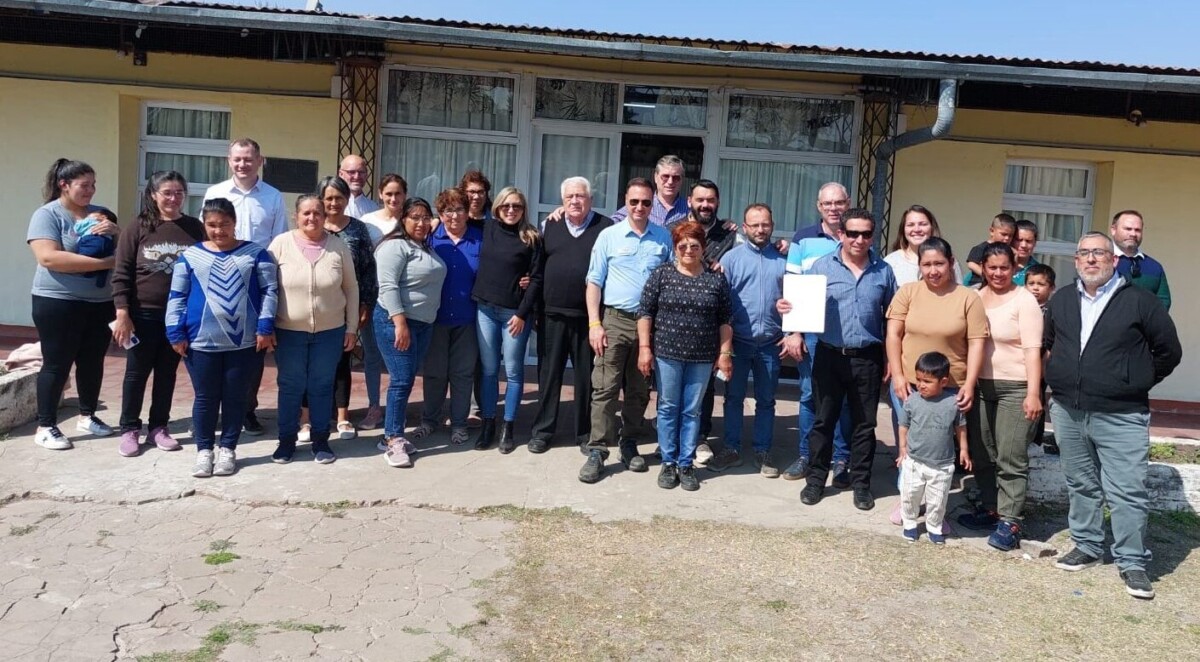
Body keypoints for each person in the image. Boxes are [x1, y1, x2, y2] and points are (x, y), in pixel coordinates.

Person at [1045, 232, 1181, 600]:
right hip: (1069, 411)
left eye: (1099, 253)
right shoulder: (1061, 301)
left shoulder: (1140, 301)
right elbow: (1050, 343)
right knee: (1081, 484)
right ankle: (1088, 546)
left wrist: (1133, 379)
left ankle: (1132, 561)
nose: (1091, 259)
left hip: (1122, 414)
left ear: (1114, 260)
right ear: (1075, 260)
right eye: (1084, 253)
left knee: (1127, 492)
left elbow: (1169, 351)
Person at [782, 209, 897, 510]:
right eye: (853, 233)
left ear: (873, 236)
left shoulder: (883, 272)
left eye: (866, 234)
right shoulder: (821, 267)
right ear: (842, 234)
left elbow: (892, 320)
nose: (860, 240)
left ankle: (861, 485)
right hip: (829, 356)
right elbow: (799, 305)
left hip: (868, 359)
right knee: (823, 422)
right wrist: (789, 312)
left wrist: (890, 360)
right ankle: (816, 481)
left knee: (864, 425)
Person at [166, 198, 278, 477]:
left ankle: (228, 448)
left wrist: (264, 327)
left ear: (234, 223)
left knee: (235, 397)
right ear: (204, 225)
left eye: (224, 224)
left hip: (244, 342)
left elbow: (270, 292)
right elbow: (177, 296)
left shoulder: (256, 254)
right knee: (205, 397)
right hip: (200, 342)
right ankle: (204, 450)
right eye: (212, 225)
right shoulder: (190, 256)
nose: (219, 231)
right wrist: (174, 331)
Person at [886, 237, 989, 522]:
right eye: (926, 264)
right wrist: (897, 375)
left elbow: (977, 342)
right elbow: (894, 335)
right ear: (919, 266)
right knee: (910, 444)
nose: (933, 270)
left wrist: (968, 383)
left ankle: (936, 506)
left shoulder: (968, 297)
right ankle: (907, 499)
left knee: (941, 449)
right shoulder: (908, 292)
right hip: (910, 385)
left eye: (939, 264)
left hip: (950, 387)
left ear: (951, 262)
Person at [580, 178, 674, 484]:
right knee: (605, 387)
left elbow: (672, 280)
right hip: (614, 320)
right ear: (626, 201)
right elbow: (594, 282)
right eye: (634, 202)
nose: (639, 207)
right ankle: (597, 450)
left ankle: (629, 442)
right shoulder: (609, 236)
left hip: (649, 324)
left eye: (646, 202)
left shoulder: (663, 238)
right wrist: (595, 323)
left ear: (652, 204)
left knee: (638, 389)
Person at [26, 158, 120, 450]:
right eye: (84, 185)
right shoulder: (48, 215)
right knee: (57, 363)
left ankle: (88, 415)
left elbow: (126, 244)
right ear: (63, 185)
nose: (90, 190)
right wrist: (105, 262)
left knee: (92, 362)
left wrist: (116, 232)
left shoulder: (99, 214)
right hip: (58, 302)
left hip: (99, 301)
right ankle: (46, 425)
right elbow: (48, 257)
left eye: (93, 184)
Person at [956, 243, 1044, 551]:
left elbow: (1033, 350)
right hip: (980, 387)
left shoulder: (1025, 300)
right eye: (991, 267)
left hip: (1016, 388)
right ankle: (991, 508)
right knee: (982, 454)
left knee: (1010, 456)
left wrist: (1033, 393)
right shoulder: (975, 298)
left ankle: (1011, 520)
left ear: (1014, 269)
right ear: (982, 266)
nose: (997, 273)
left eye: (1004, 268)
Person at [111, 171, 205, 457]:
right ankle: (129, 428)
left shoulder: (194, 228)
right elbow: (122, 272)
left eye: (179, 193)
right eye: (167, 192)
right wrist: (123, 312)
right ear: (153, 194)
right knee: (136, 373)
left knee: (167, 373)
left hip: (178, 317)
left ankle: (158, 428)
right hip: (143, 314)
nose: (173, 198)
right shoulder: (138, 227)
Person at [637, 221, 733, 492]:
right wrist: (645, 349)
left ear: (703, 248)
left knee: (692, 410)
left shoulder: (716, 279)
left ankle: (685, 463)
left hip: (702, 356)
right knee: (668, 407)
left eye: (695, 245)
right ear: (675, 248)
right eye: (683, 245)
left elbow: (725, 320)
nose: (689, 250)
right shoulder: (662, 275)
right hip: (667, 354)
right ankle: (668, 462)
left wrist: (725, 353)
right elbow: (645, 313)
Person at [203, 138, 288, 437]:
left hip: (255, 279)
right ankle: (214, 410)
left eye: (249, 159)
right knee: (216, 345)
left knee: (253, 347)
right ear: (229, 160)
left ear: (260, 161)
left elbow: (278, 242)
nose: (243, 164)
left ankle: (246, 410)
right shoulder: (215, 193)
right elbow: (208, 234)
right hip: (219, 276)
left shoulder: (273, 196)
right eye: (237, 159)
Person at [268, 195, 359, 464]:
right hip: (288, 331)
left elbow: (351, 288)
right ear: (296, 216)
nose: (312, 218)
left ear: (324, 216)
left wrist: (351, 327)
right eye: (306, 213)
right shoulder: (280, 245)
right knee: (290, 386)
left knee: (321, 386)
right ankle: (286, 441)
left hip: (330, 332)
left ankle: (321, 441)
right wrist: (266, 326)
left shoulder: (338, 246)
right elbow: (266, 287)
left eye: (317, 213)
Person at [529, 177, 613, 453]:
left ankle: (584, 434)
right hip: (552, 315)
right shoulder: (548, 225)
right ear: (562, 201)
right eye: (570, 197)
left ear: (591, 199)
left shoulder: (605, 227)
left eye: (581, 196)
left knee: (586, 379)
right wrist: (536, 310)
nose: (575, 201)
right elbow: (538, 271)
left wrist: (598, 321)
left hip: (587, 318)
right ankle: (542, 432)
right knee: (549, 376)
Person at [293, 176, 377, 442]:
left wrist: (365, 304)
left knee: (342, 363)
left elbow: (366, 270)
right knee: (309, 366)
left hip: (345, 308)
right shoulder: (311, 227)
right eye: (328, 198)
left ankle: (342, 417)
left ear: (347, 199)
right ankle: (306, 419)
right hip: (311, 308)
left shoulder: (358, 229)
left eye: (339, 197)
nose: (333, 203)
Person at [780, 183, 853, 483]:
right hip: (810, 330)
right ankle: (806, 456)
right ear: (818, 206)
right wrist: (793, 332)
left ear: (847, 204)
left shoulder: (857, 236)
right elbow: (792, 283)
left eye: (839, 203)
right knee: (811, 394)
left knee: (843, 398)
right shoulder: (803, 238)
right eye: (828, 203)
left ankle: (840, 459)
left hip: (845, 332)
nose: (833, 208)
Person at [374, 198, 447, 468]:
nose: (421, 222)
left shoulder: (423, 246)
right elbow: (388, 286)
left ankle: (391, 435)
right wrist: (400, 323)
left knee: (405, 379)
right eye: (414, 217)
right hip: (396, 322)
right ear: (402, 219)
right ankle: (393, 440)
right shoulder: (394, 246)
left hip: (422, 324)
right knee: (401, 380)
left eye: (426, 217)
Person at [718, 203, 790, 478]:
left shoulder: (785, 260)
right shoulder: (731, 260)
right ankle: (732, 448)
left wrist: (791, 330)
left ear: (772, 225)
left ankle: (763, 451)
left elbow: (797, 299)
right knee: (733, 398)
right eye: (754, 225)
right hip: (738, 343)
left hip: (771, 342)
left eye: (765, 224)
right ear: (744, 227)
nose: (761, 229)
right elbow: (721, 303)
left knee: (767, 400)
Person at [669, 179, 740, 451]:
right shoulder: (672, 230)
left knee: (705, 385)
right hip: (674, 320)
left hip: (710, 321)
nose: (705, 205)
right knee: (671, 385)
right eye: (700, 199)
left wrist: (782, 245)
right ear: (689, 201)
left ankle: (699, 438)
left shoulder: (730, 234)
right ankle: (670, 437)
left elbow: (752, 253)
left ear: (718, 202)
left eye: (710, 200)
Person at [471, 187, 541, 453]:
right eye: (506, 206)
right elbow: (453, 216)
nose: (511, 210)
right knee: (489, 370)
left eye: (517, 206)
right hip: (486, 310)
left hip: (515, 315)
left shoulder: (531, 236)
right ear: (498, 208)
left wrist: (523, 314)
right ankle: (489, 422)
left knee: (513, 372)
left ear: (523, 209)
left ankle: (508, 427)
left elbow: (536, 279)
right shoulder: (486, 228)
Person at [412, 187, 482, 447]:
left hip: (468, 318)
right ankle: (430, 420)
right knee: (435, 373)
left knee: (462, 374)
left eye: (459, 209)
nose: (454, 216)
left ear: (468, 211)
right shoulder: (429, 238)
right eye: (448, 210)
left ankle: (460, 423)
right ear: (440, 214)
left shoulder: (479, 240)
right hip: (435, 318)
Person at [896, 351, 970, 544]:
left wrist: (963, 449)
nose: (921, 385)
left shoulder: (953, 403)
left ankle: (934, 527)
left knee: (937, 500)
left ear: (943, 382)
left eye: (927, 381)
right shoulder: (912, 400)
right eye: (918, 379)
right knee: (910, 495)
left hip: (942, 464)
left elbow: (960, 427)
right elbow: (904, 425)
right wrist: (902, 448)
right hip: (914, 460)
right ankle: (910, 523)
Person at [358, 173, 408, 429]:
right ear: (380, 194)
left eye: (398, 193)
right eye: (388, 193)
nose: (393, 198)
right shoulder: (367, 222)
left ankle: (400, 407)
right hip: (374, 295)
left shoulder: (414, 220)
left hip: (406, 298)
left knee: (403, 355)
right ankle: (374, 407)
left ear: (405, 195)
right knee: (372, 355)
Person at [883, 205, 963, 286]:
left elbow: (959, 293)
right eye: (910, 225)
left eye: (923, 224)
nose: (917, 229)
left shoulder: (948, 260)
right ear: (903, 230)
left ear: (932, 228)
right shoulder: (891, 262)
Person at [1024, 263, 1057, 453]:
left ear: (1051, 288)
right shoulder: (1021, 305)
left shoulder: (1052, 310)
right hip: (1019, 363)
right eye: (1031, 283)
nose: (1035, 288)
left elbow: (1051, 341)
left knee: (1037, 400)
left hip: (1041, 362)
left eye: (1041, 284)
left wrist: (1045, 362)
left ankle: (1036, 440)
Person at [1111, 210, 1171, 311]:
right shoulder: (1100, 261)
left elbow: (1163, 302)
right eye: (1128, 229)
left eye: (1137, 230)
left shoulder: (1154, 267)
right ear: (1113, 230)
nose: (1133, 234)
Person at [610, 155, 690, 226]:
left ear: (682, 180)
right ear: (655, 177)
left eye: (676, 178)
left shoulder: (690, 209)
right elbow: (612, 223)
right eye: (665, 176)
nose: (670, 182)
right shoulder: (641, 204)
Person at [964, 214, 1016, 287]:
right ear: (992, 231)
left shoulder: (1009, 251)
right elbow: (971, 264)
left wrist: (1015, 255)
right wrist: (986, 275)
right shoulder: (981, 248)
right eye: (1004, 234)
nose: (1007, 238)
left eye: (1010, 236)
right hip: (978, 284)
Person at [73, 209, 117, 287]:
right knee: (105, 267)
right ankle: (101, 281)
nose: (88, 216)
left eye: (91, 215)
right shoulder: (110, 227)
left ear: (102, 217)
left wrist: (78, 222)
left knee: (85, 254)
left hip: (93, 240)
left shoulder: (92, 221)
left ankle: (88, 272)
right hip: (108, 243)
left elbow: (78, 228)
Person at [339, 154, 381, 219]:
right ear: (341, 174)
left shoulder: (373, 208)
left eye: (361, 172)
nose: (357, 177)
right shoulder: (331, 205)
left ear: (367, 175)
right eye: (352, 172)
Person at [1011, 219, 1040, 286]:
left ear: (1035, 243)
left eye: (1028, 241)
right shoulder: (1000, 265)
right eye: (1019, 240)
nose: (1023, 245)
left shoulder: (1037, 270)